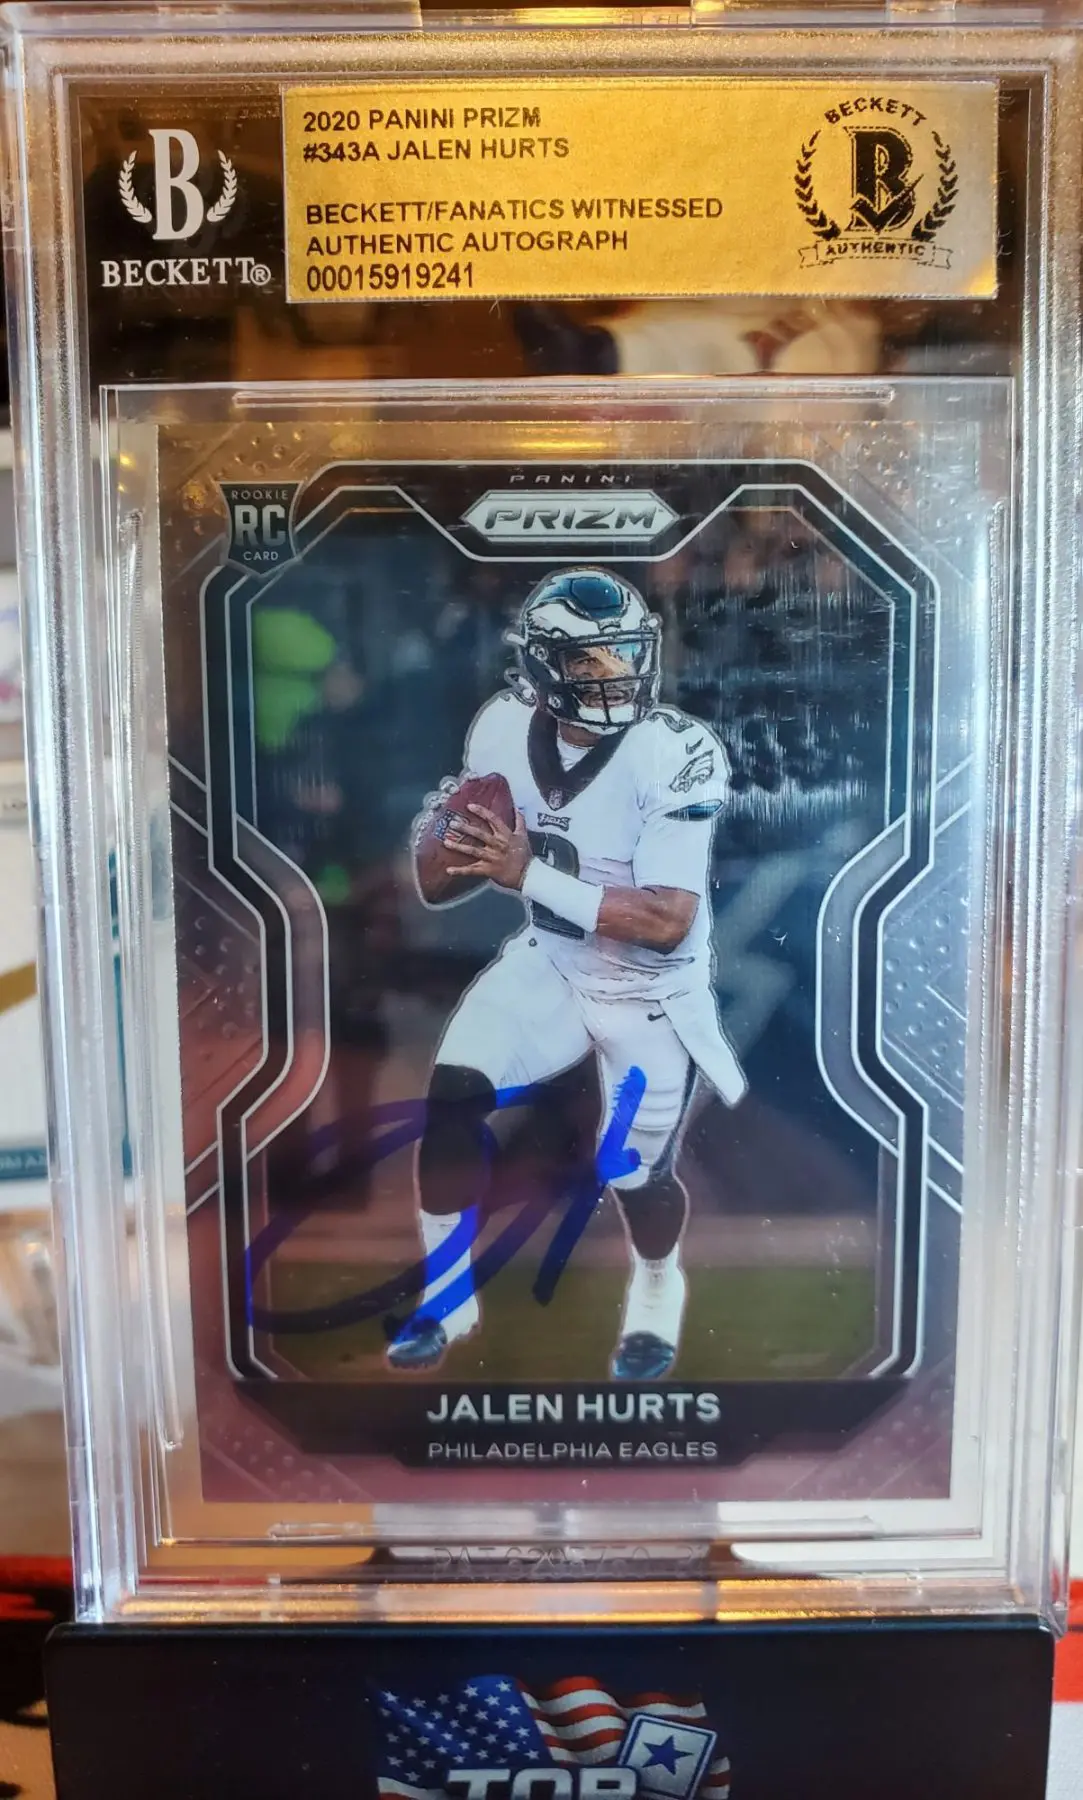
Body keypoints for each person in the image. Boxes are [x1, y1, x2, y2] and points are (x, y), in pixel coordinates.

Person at [390, 567, 747, 1378]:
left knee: (634, 1174)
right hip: (550, 962)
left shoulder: (675, 750)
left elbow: (666, 920)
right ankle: (445, 1299)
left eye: (625, 655)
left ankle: (655, 1293)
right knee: (453, 1099)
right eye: (589, 660)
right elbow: (437, 885)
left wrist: (526, 873)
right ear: (544, 665)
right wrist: (448, 840)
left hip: (648, 989)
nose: (614, 674)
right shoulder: (500, 728)